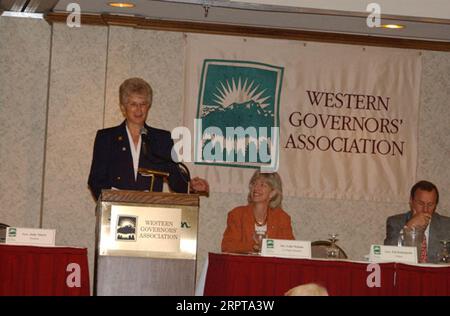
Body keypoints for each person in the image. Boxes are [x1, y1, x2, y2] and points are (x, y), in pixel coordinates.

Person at [88, 77, 209, 201]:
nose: (139, 110)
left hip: (150, 212)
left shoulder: (161, 139)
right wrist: (110, 202)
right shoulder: (107, 138)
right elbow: (96, 180)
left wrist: (191, 186)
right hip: (115, 211)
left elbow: (174, 176)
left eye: (143, 104)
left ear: (148, 107)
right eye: (133, 104)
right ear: (123, 107)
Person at [221, 170, 295, 254]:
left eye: (262, 185)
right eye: (254, 184)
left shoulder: (282, 218)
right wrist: (253, 247)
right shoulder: (237, 214)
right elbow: (227, 245)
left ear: (272, 193)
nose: (256, 188)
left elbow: (290, 248)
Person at [384, 180, 450, 263]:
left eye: (430, 204)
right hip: (406, 274)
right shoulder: (395, 222)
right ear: (411, 201)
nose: (425, 209)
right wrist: (408, 227)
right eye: (421, 203)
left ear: (435, 205)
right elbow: (387, 255)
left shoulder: (447, 225)